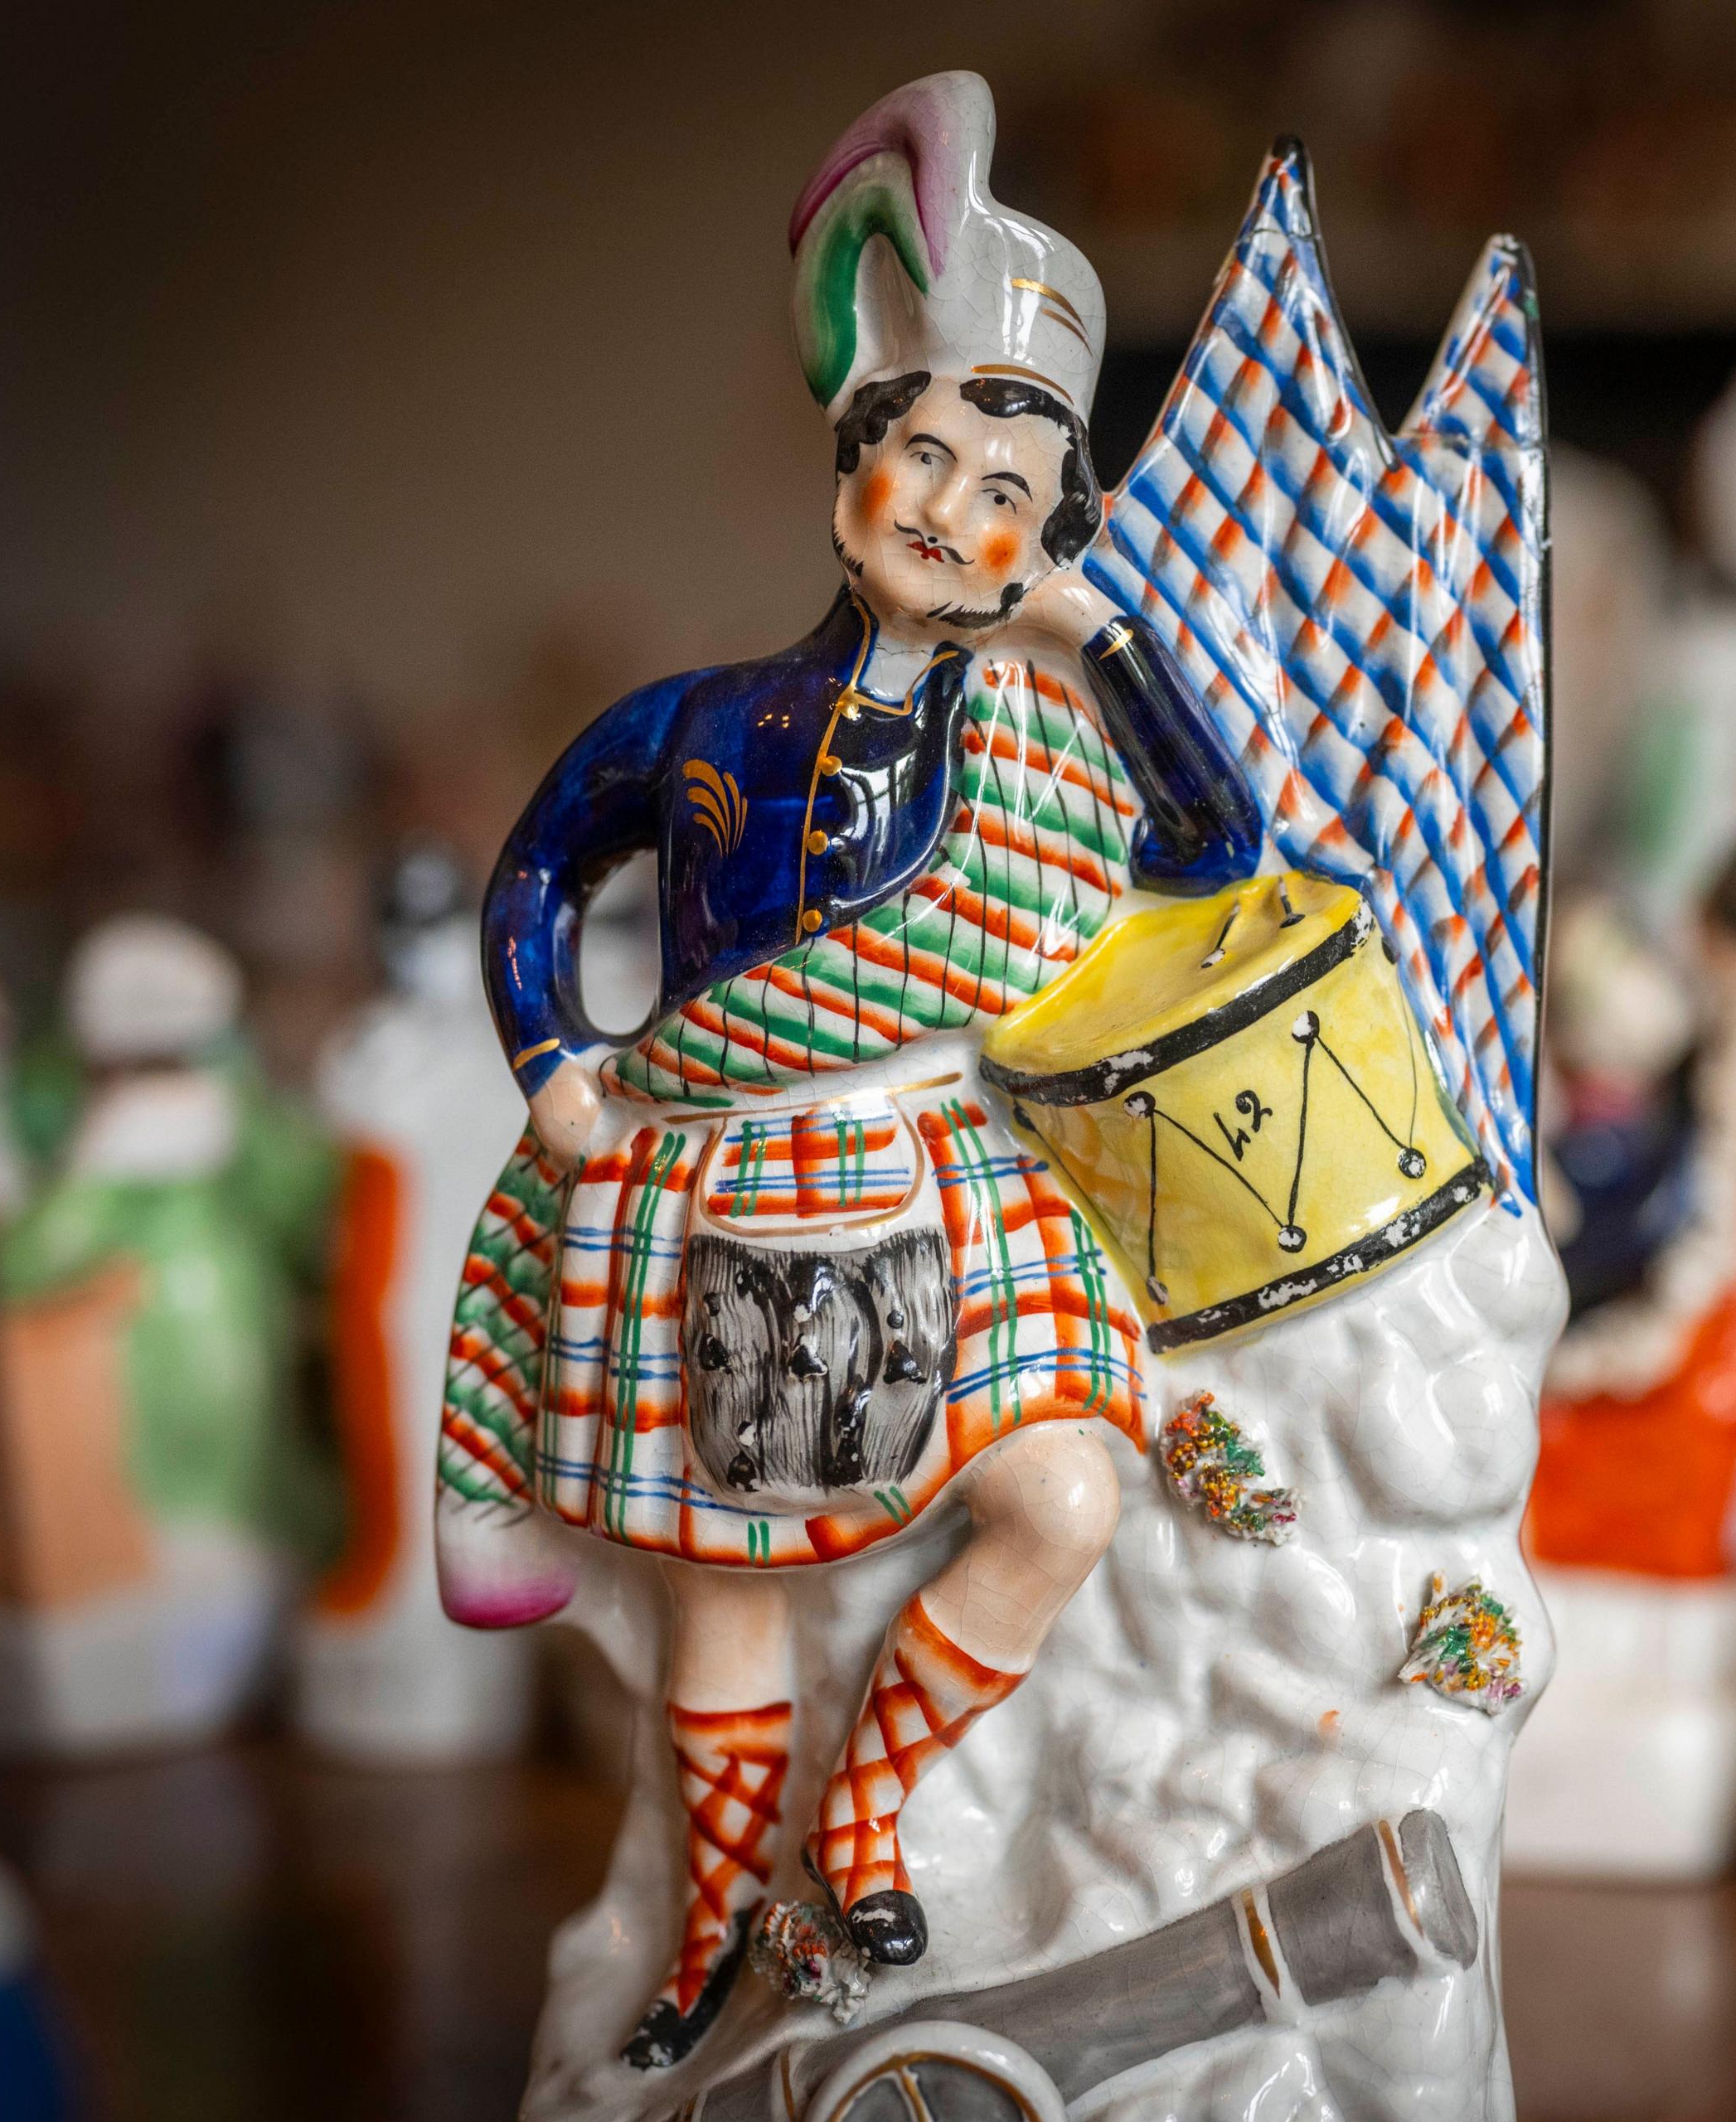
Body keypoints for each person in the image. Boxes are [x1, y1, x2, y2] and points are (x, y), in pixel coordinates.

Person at [433, 73, 1262, 2069]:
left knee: (1066, 1488)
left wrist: (1112, 639)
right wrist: (549, 1050)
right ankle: (713, 1929)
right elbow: (542, 870)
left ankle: (870, 1809)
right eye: (928, 455)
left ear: (1044, 538)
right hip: (709, 1179)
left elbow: (1216, 844)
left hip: (932, 1168)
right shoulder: (697, 717)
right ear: (857, 449)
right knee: (721, 1576)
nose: (955, 512)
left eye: (1012, 490)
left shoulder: (1040, 750)